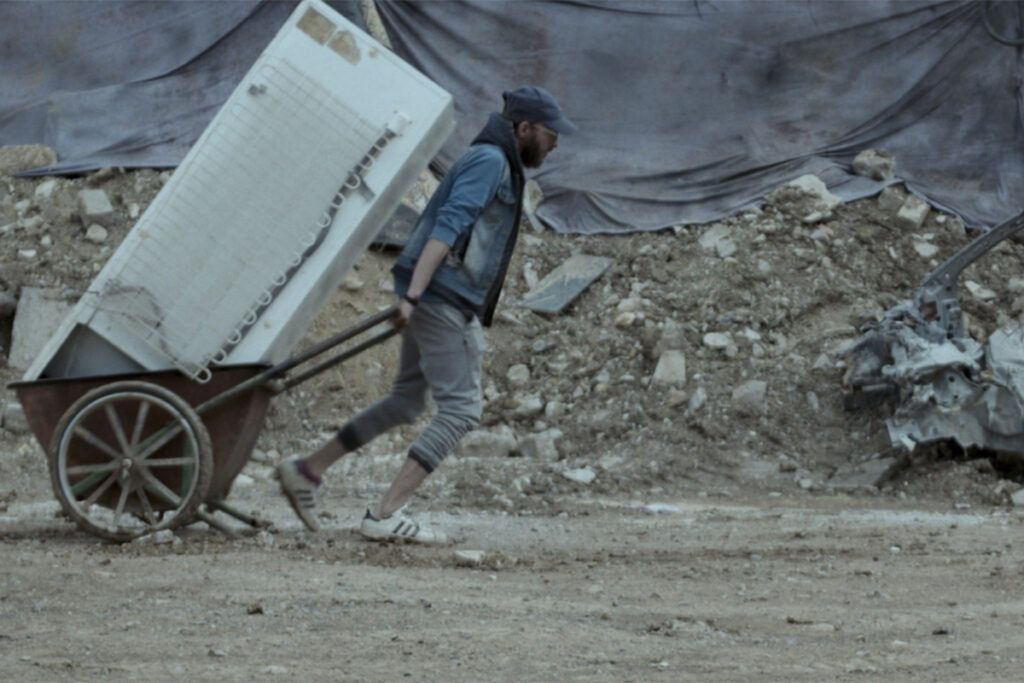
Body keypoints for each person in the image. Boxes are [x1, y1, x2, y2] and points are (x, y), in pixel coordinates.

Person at [277, 86, 576, 543]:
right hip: (441, 295)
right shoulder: (492, 162)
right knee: (461, 411)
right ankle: (383, 515)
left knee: (407, 402)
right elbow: (449, 223)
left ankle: (307, 471)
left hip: (437, 291)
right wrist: (415, 294)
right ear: (524, 128)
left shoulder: (496, 160)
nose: (555, 144)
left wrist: (414, 293)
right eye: (551, 134)